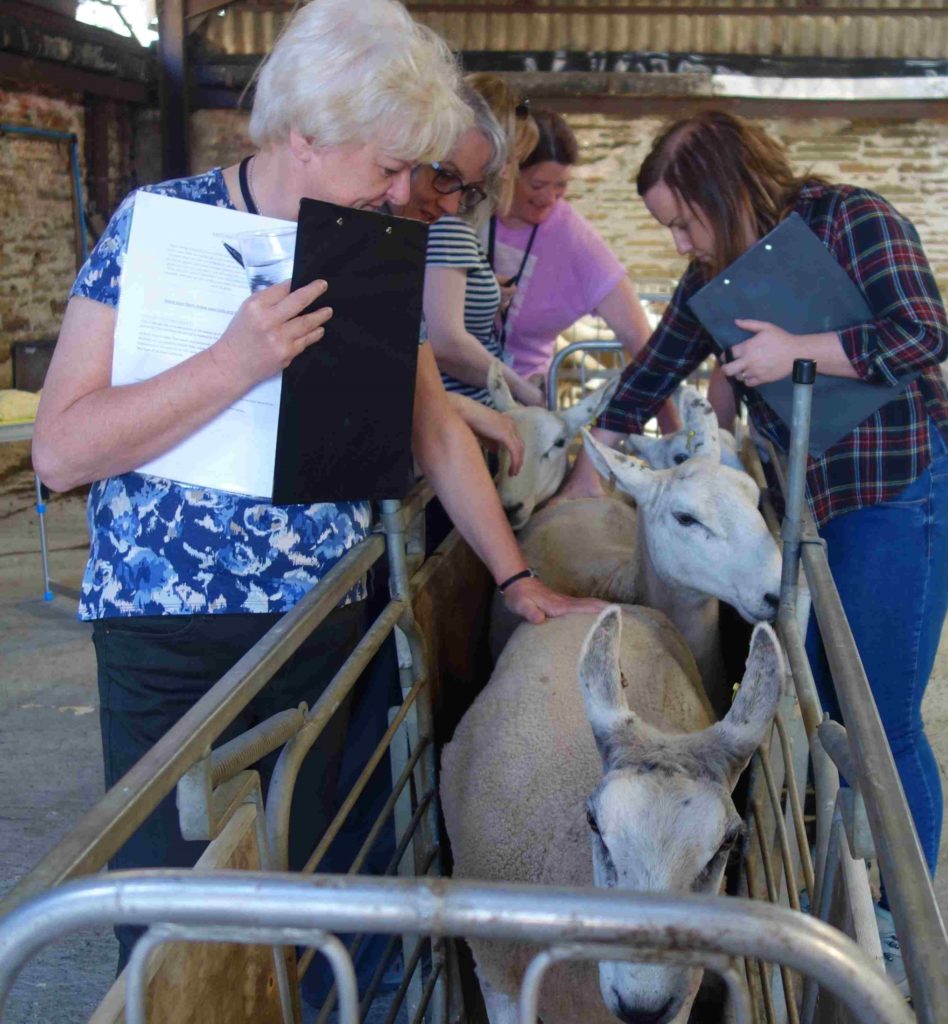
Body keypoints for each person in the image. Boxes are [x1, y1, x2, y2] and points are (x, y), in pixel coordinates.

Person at [31, 0, 602, 970]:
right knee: (181, 928)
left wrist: (513, 578)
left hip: (333, 626)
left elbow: (430, 424)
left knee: (345, 901)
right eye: (385, 166)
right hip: (175, 636)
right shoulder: (158, 228)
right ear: (304, 135)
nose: (398, 192)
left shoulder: (364, 248)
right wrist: (232, 363)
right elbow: (61, 450)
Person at [566, 110, 948, 993]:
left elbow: (922, 332)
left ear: (725, 187)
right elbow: (651, 367)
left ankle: (900, 931)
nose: (678, 239)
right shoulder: (716, 276)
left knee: (883, 717)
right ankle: (853, 878)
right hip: (815, 507)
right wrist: (593, 455)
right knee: (832, 682)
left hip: (900, 489)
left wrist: (801, 351)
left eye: (683, 218)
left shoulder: (852, 219)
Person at [485, 108, 681, 439]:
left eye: (560, 186)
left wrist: (672, 430)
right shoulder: (471, 210)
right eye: (537, 184)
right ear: (507, 172)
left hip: (526, 405)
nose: (549, 197)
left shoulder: (574, 238)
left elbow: (638, 339)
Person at [392, 82, 540, 411]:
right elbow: (445, 341)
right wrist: (524, 392)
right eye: (513, 158)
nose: (506, 172)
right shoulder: (446, 224)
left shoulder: (439, 219)